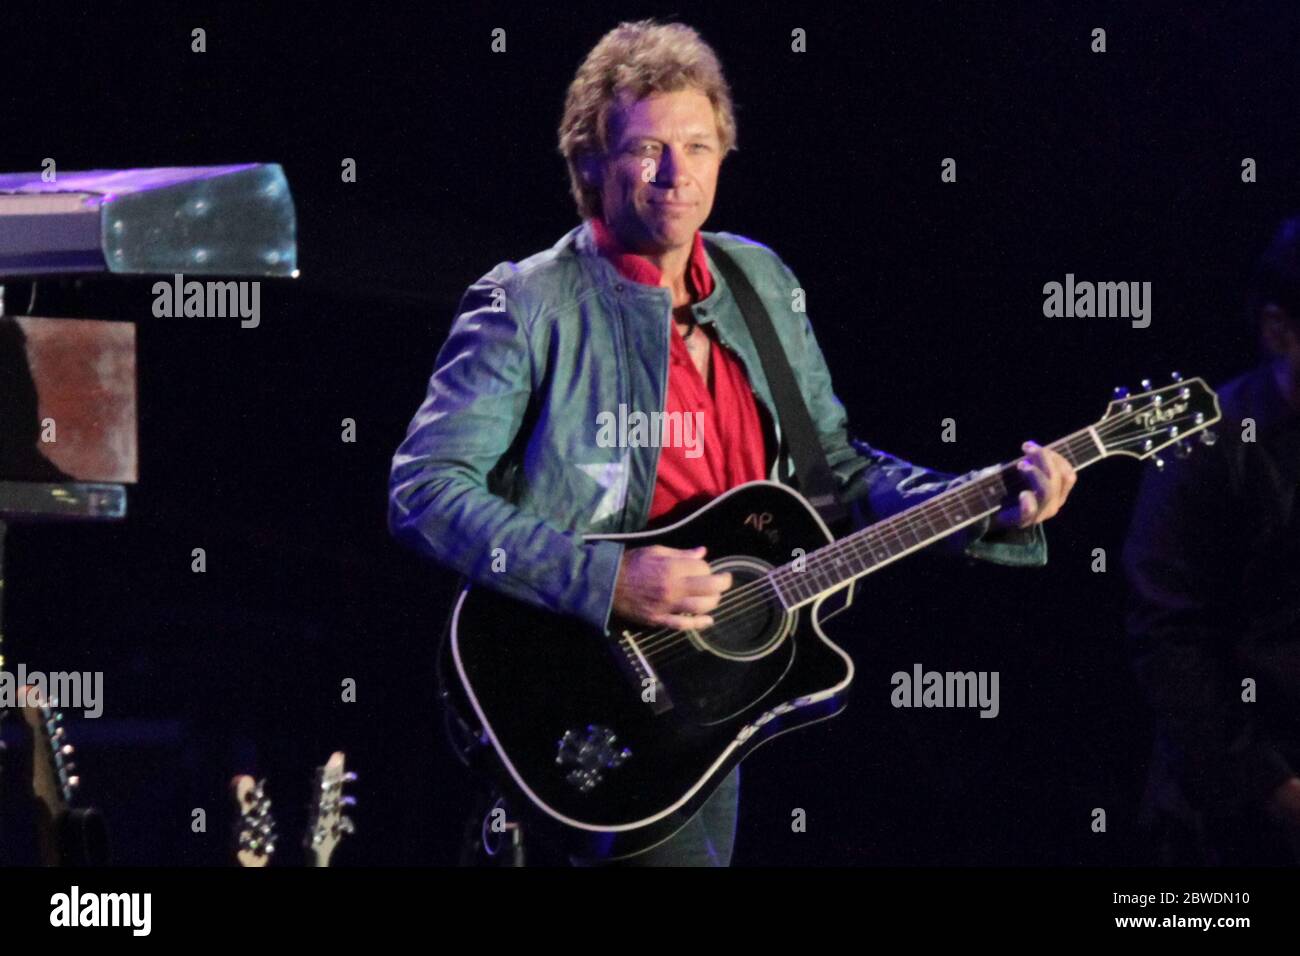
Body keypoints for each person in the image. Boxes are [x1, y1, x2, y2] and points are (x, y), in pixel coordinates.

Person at [389, 19, 1076, 866]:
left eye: (699, 145)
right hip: (585, 679)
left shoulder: (760, 280)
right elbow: (425, 491)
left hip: (715, 688)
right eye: (646, 149)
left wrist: (983, 501)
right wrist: (610, 580)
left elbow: (836, 473)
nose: (676, 174)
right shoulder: (527, 303)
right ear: (590, 163)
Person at [1124, 215, 1300, 866]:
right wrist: (1273, 788)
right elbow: (1171, 643)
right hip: (1225, 827)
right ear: (1279, 329)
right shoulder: (1206, 444)